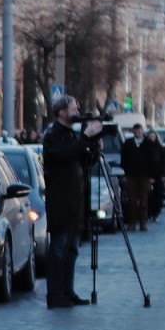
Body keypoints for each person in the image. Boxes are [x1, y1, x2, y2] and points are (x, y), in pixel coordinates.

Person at [40, 96, 103, 310]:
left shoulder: (70, 134)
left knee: (73, 249)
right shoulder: (52, 136)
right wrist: (85, 137)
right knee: (58, 249)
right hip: (60, 201)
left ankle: (68, 290)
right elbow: (65, 155)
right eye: (73, 108)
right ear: (61, 113)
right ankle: (55, 294)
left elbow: (84, 160)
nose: (77, 110)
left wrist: (94, 146)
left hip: (76, 201)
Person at [118, 123, 151, 231]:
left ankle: (143, 223)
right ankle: (132, 223)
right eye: (135, 131)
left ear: (142, 131)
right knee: (131, 200)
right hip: (131, 175)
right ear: (133, 132)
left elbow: (153, 160)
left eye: (139, 131)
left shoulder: (148, 143)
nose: (137, 133)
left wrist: (152, 176)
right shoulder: (128, 143)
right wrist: (124, 174)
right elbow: (123, 159)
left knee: (143, 200)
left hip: (144, 175)